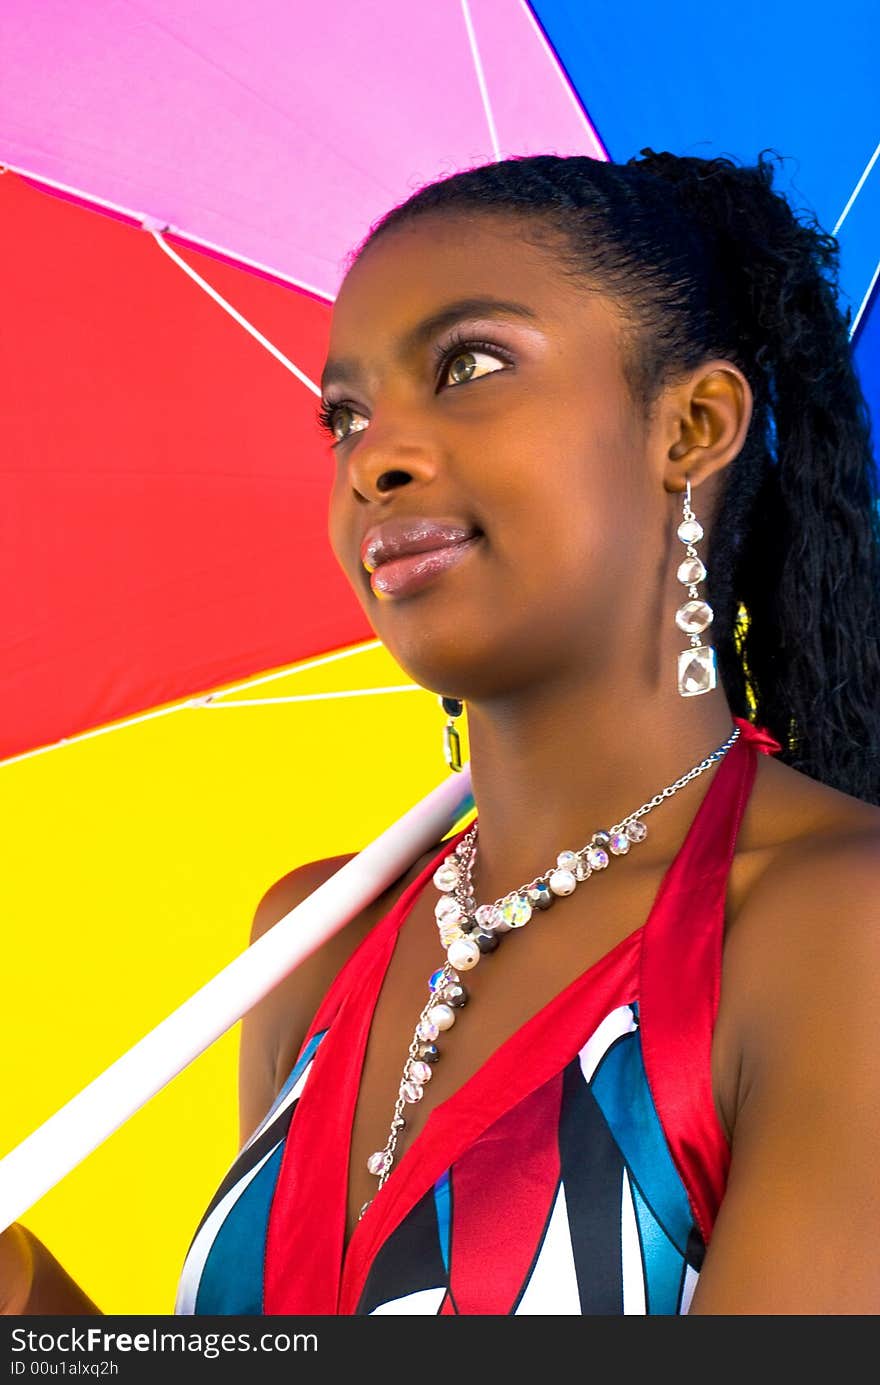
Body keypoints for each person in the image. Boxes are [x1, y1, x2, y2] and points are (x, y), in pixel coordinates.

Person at [4, 148, 880, 1316]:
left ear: (691, 428)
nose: (374, 455)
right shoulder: (313, 939)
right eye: (344, 414)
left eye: (468, 365)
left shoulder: (839, 929)